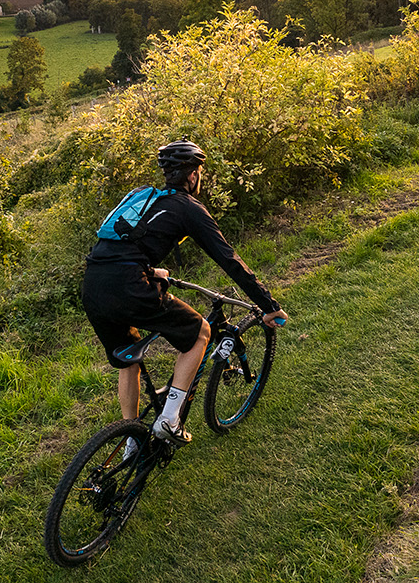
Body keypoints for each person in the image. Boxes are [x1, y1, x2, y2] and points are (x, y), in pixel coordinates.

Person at [81, 140, 287, 444]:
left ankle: (132, 440)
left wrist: (150, 270)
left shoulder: (141, 196)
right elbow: (229, 260)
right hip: (130, 286)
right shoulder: (189, 208)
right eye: (200, 171)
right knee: (200, 333)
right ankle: (170, 420)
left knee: (128, 359)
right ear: (192, 175)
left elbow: (116, 246)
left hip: (93, 286)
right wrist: (268, 304)